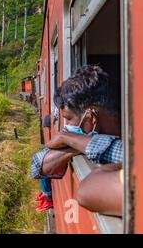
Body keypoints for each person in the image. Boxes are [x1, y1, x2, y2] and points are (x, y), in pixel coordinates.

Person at [31, 65, 123, 212]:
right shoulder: (82, 139)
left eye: (68, 120)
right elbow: (37, 166)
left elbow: (132, 157)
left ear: (91, 117)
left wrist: (73, 140)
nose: (66, 127)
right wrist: (78, 144)